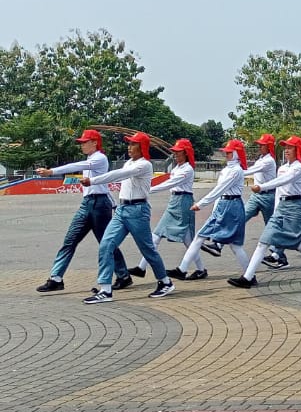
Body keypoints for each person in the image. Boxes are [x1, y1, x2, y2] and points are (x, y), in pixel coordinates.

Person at [35, 129, 132, 293]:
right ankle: (56, 278)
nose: (82, 145)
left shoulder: (99, 158)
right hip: (87, 203)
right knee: (70, 240)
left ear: (95, 143)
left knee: (106, 242)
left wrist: (52, 171)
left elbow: (76, 165)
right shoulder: (90, 159)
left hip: (100, 205)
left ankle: (123, 275)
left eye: (85, 142)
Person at [82, 133, 175, 304]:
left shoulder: (144, 165)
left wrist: (93, 180)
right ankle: (105, 289)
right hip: (122, 209)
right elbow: (120, 174)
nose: (129, 147)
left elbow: (117, 175)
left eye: (133, 144)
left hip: (138, 210)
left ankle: (165, 282)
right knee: (106, 245)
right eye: (129, 144)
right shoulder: (129, 162)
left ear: (142, 147)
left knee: (147, 249)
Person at [228, 136, 301, 292]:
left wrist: (262, 187)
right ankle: (247, 278)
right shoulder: (282, 168)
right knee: (264, 241)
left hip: (296, 208)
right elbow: (280, 190)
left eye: (290, 147)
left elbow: (282, 181)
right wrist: (276, 209)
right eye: (285, 147)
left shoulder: (298, 167)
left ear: (297, 150)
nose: (286, 150)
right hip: (282, 207)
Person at [171, 140, 251, 279]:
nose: (226, 155)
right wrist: (213, 208)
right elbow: (220, 192)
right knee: (201, 236)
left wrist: (201, 204)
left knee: (234, 245)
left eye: (230, 152)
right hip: (224, 205)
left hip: (232, 207)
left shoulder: (236, 170)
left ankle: (249, 276)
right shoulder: (227, 170)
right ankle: (182, 269)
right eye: (226, 152)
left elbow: (220, 189)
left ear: (237, 153)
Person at [131, 138, 199, 279]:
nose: (175, 155)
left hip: (183, 201)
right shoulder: (177, 168)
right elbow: (166, 181)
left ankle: (199, 268)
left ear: (186, 153)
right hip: (175, 200)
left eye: (178, 152)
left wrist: (147, 190)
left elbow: (169, 183)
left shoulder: (187, 169)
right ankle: (141, 267)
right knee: (160, 235)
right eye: (174, 152)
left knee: (185, 239)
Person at [221, 134, 276, 262]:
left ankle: (277, 254)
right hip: (256, 196)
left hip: (268, 196)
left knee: (271, 225)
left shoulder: (269, 161)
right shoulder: (261, 159)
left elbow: (251, 170)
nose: (260, 147)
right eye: (260, 144)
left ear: (269, 147)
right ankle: (220, 243)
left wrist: (235, 172)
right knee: (241, 217)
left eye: (262, 145)